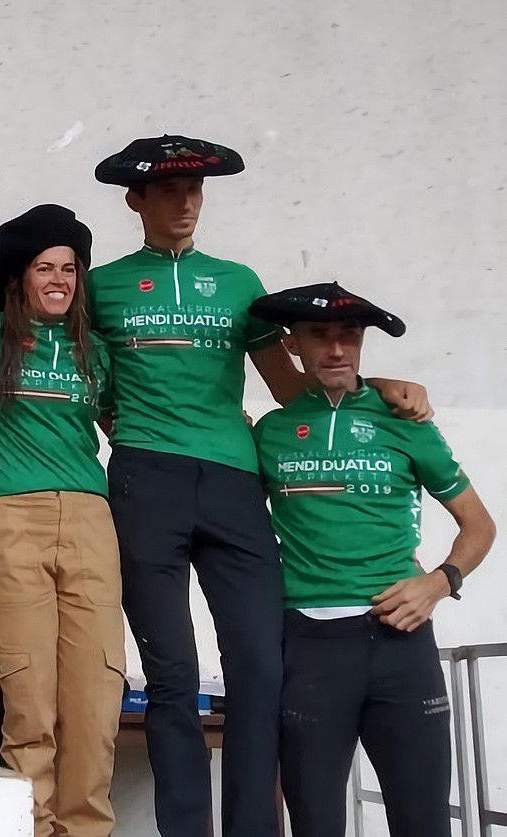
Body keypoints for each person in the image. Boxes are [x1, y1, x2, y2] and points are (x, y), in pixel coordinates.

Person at [88, 135, 431, 836]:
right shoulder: (102, 286)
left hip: (233, 480)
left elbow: (289, 388)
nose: (186, 203)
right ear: (135, 200)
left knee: (260, 669)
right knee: (173, 674)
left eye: (195, 190)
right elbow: (92, 387)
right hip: (146, 480)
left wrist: (376, 385)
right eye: (169, 191)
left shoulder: (240, 282)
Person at [249, 283, 495, 837]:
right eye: (320, 336)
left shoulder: (406, 422)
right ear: (293, 345)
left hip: (400, 640)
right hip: (309, 646)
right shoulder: (270, 432)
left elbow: (480, 525)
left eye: (350, 336)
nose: (337, 349)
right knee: (315, 823)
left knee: (424, 821)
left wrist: (439, 583)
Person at [0, 205, 124, 837]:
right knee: (28, 699)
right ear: (18, 277)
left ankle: (85, 829)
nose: (59, 280)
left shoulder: (97, 350)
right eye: (44, 268)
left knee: (96, 698)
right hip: (13, 513)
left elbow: (126, 420)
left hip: (91, 515)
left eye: (69, 269)